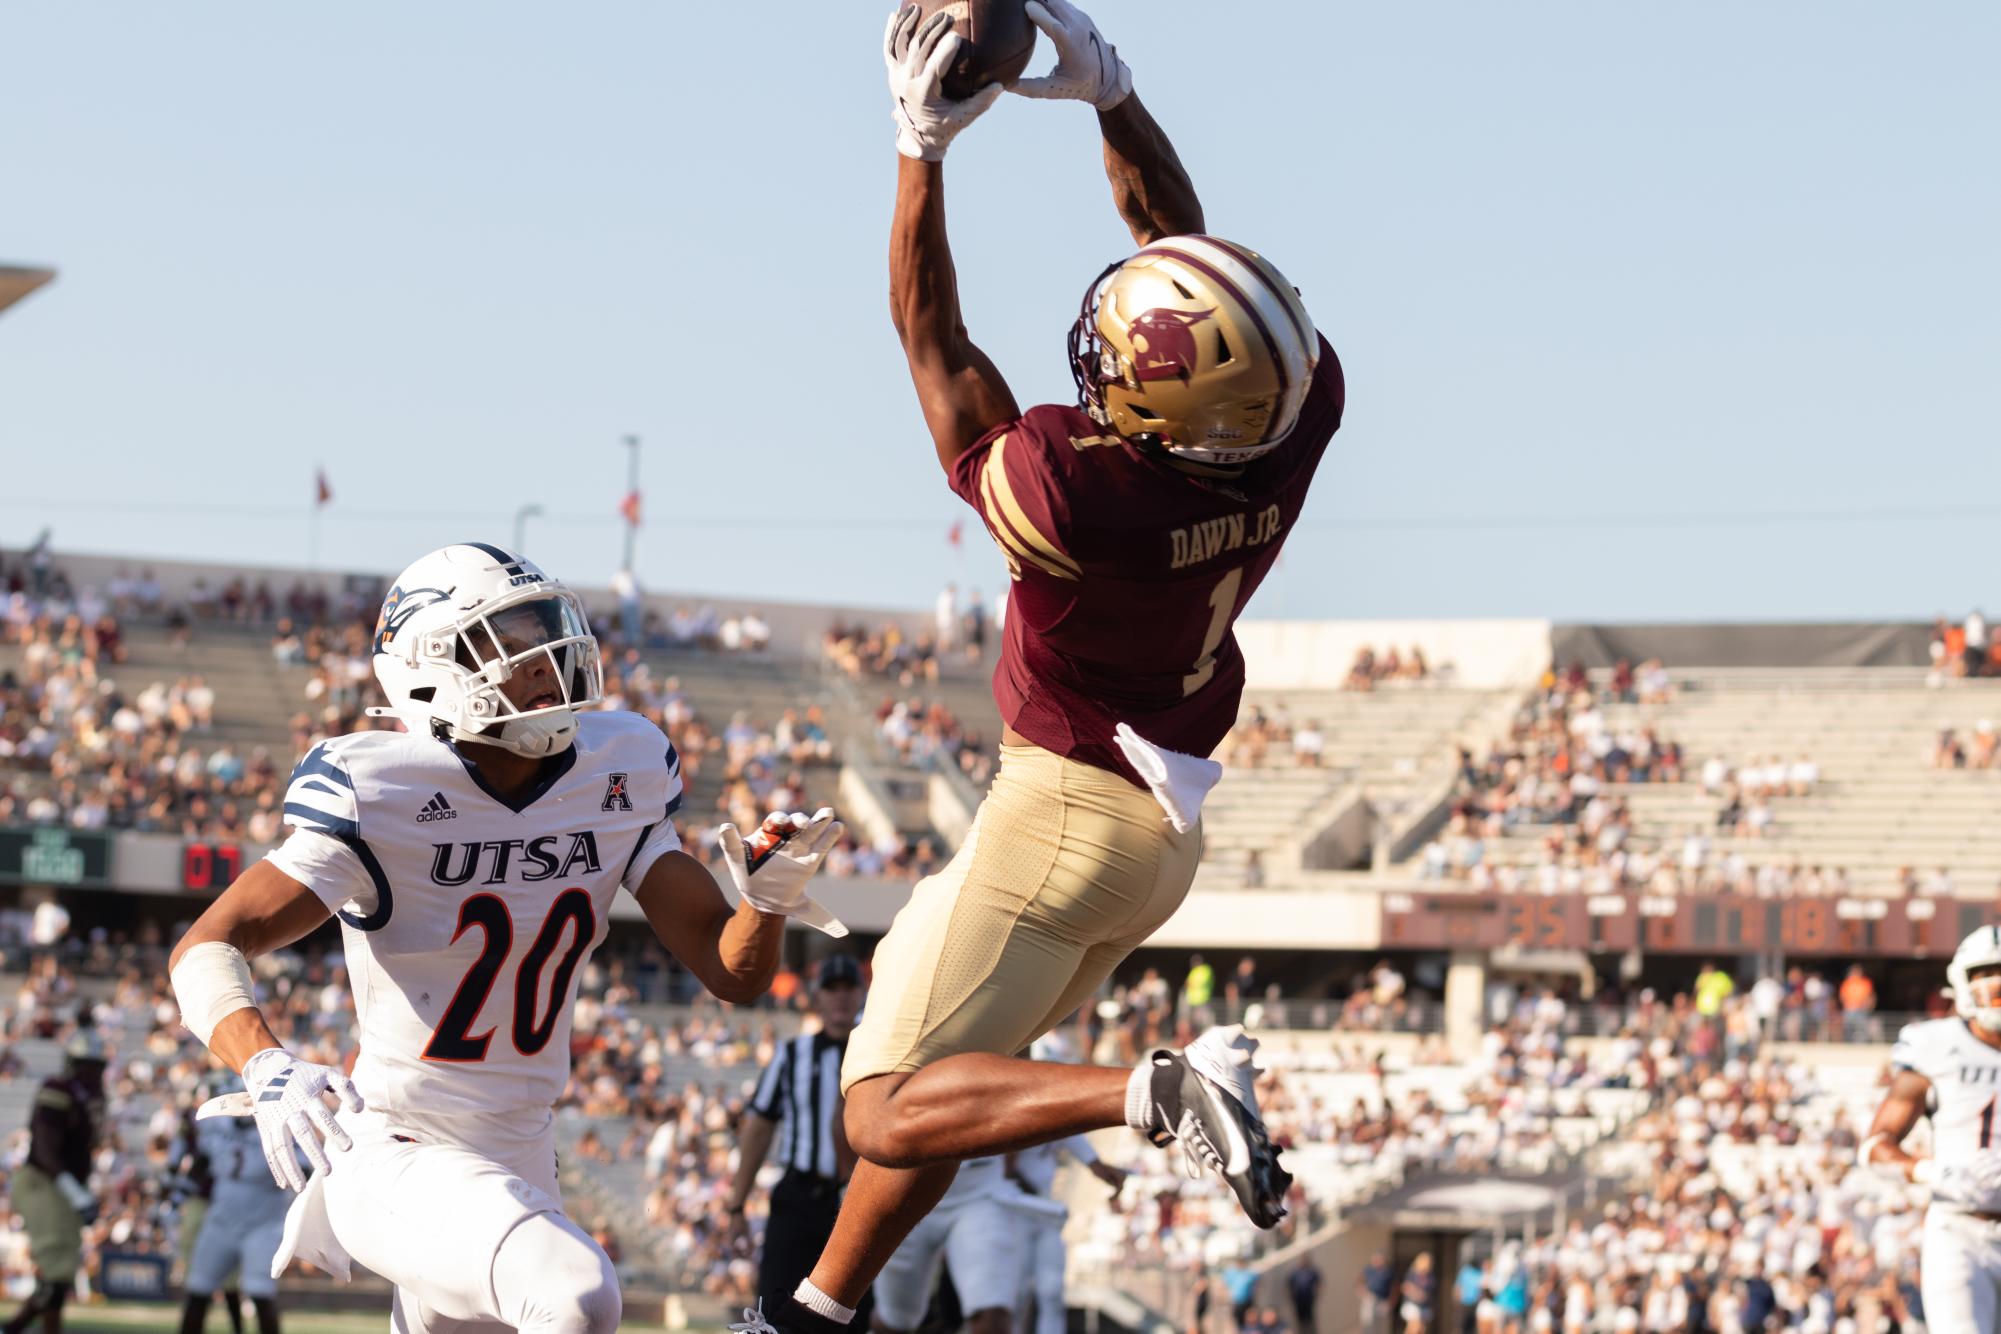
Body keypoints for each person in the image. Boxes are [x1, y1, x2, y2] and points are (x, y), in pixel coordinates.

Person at [746, 5, 1340, 1329]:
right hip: (1159, 825)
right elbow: (1180, 248)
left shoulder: (1079, 499)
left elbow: (934, 347)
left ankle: (1154, 1090)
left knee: (879, 1103)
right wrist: (1111, 93)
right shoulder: (1295, 415)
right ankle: (814, 1309)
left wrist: (920, 151)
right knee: (955, 1078)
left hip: (1062, 807)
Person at [167, 543, 845, 1334]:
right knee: (575, 1296)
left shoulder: (615, 770)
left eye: (544, 628)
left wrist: (764, 902)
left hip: (523, 1148)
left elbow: (729, 971)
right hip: (399, 1143)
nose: (544, 656)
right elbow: (207, 946)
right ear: (430, 663)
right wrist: (265, 1061)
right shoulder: (382, 788)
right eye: (508, 639)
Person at [1861, 924, 2001, 1331]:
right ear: (1962, 982)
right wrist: (1933, 1171)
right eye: (1987, 972)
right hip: (1960, 1230)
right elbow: (1875, 1145)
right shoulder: (1936, 1044)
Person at [726, 957, 871, 1317]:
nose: (840, 997)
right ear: (816, 997)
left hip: (858, 1200)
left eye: (848, 988)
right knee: (774, 1308)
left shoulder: (875, 1053)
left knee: (853, 1314)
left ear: (861, 994)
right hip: (799, 1195)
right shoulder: (792, 1055)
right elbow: (759, 1128)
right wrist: (736, 1205)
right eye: (831, 988)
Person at [999, 1043, 1128, 1334]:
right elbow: (1005, 1172)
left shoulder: (1059, 1121)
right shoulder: (1011, 1115)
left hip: (1043, 1211)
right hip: (1013, 1210)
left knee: (1050, 1290)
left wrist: (1113, 1180)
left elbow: (1093, 1161)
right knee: (1015, 1293)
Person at [1, 1029, 104, 1334]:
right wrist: (78, 1195)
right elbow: (46, 1150)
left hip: (61, 1187)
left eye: (97, 1066)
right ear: (73, 1063)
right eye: (87, 1064)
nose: (93, 1072)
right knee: (56, 1272)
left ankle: (18, 1328)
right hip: (44, 1183)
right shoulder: (59, 1089)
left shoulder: (88, 1095)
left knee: (59, 1273)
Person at [178, 1071, 291, 1334]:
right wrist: (177, 1198)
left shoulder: (279, 1128)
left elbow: (304, 1169)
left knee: (261, 1293)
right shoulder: (214, 1127)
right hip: (222, 1219)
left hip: (263, 1222)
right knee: (197, 1289)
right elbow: (201, 1163)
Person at [1358, 1253, 1394, 1334]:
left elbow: (1394, 1287)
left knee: (1381, 1327)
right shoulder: (1368, 1269)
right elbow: (1359, 1281)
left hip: (1383, 1301)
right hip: (1370, 1299)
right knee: (1368, 1324)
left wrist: (1390, 1302)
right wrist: (1362, 1292)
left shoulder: (1388, 1272)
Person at [1400, 1254, 1436, 1334]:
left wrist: (1423, 1295)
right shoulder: (1412, 1274)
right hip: (1412, 1304)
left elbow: (1430, 1291)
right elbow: (1405, 1287)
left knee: (1421, 1329)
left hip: (1424, 1306)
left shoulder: (1430, 1277)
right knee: (1414, 1328)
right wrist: (1416, 1293)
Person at [1287, 1260, 1322, 1334]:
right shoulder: (1295, 1273)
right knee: (1301, 1322)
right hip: (1298, 1302)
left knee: (1310, 1320)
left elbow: (1319, 1283)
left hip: (1308, 1300)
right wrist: (1291, 1297)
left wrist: (1316, 1294)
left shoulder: (1311, 1272)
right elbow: (1289, 1286)